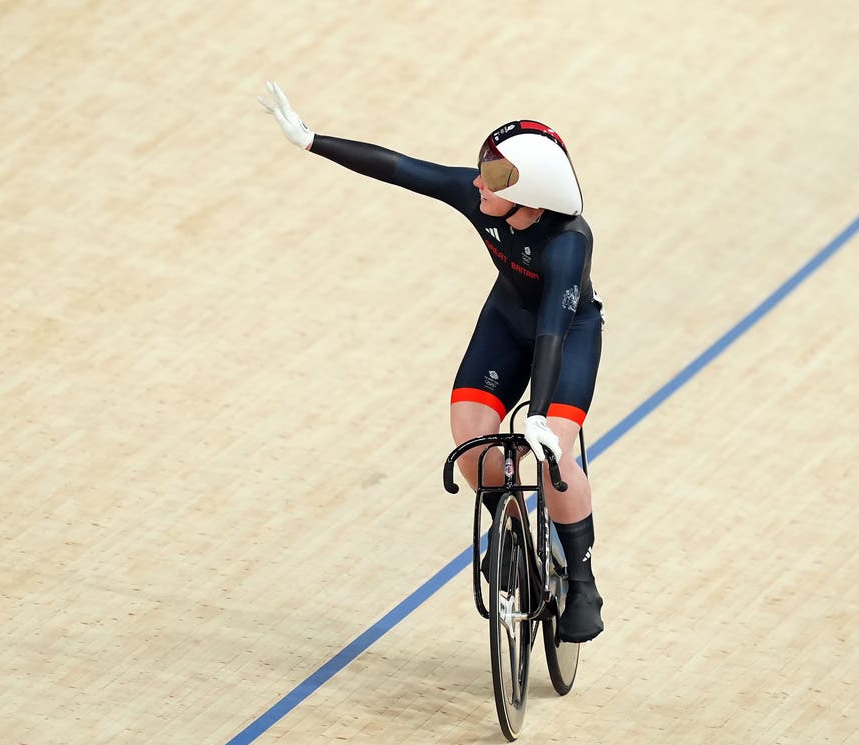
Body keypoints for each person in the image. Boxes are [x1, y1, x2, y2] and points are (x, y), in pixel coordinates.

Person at [258, 82, 605, 642]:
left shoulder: (568, 242)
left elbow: (551, 333)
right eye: (483, 168)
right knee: (470, 441)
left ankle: (583, 583)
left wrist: (539, 414)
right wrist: (312, 140)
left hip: (565, 336)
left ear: (532, 194)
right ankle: (514, 533)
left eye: (494, 175)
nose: (478, 182)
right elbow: (402, 169)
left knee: (554, 457)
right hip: (506, 320)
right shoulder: (482, 198)